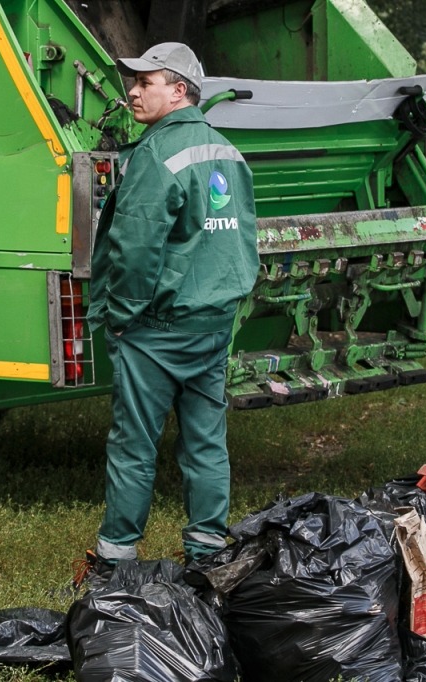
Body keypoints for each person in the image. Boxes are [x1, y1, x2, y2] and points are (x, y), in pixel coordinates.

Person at [74, 43, 259, 585]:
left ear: (179, 90)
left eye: (145, 81)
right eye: (132, 82)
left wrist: (122, 315)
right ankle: (207, 553)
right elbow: (240, 239)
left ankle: (115, 563)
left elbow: (134, 247)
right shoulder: (226, 151)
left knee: (133, 445)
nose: (132, 91)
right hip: (212, 323)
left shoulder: (156, 155)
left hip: (155, 330)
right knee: (205, 439)